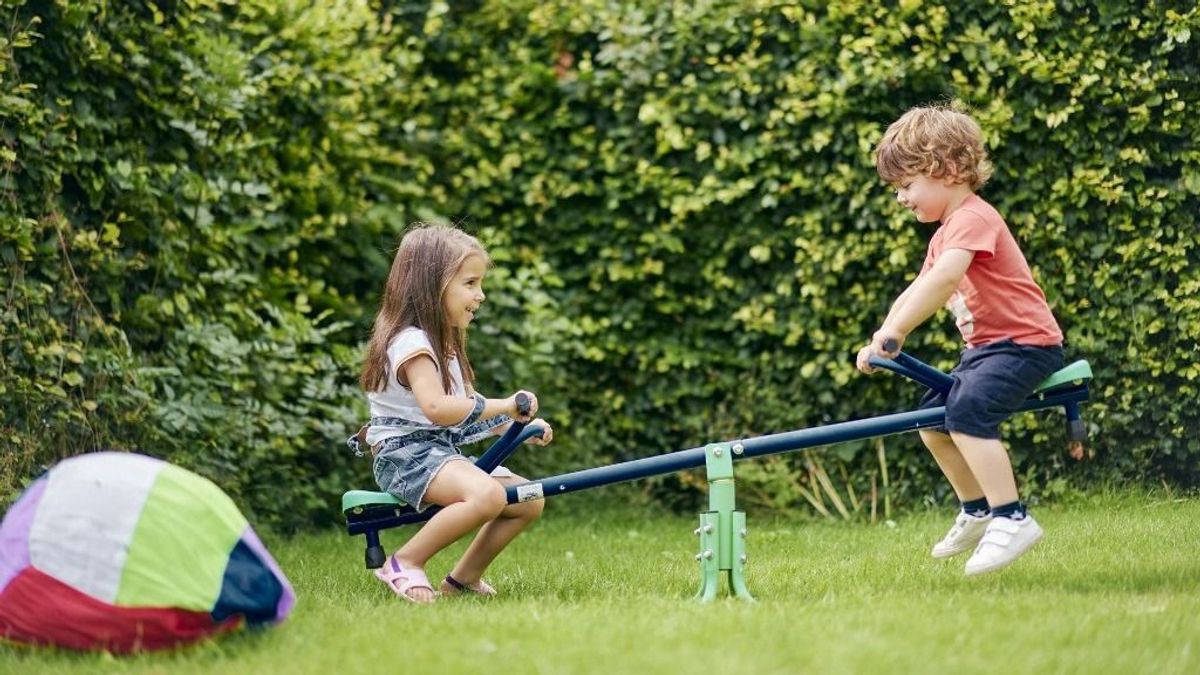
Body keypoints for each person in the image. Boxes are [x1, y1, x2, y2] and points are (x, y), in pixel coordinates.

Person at [856, 105, 1064, 576]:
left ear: (944, 169)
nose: (901, 199)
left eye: (906, 186)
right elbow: (919, 286)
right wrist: (881, 336)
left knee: (967, 413)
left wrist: (898, 331)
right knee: (930, 418)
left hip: (1025, 344)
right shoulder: (945, 234)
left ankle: (1012, 516)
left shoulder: (973, 218)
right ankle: (977, 507)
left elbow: (944, 280)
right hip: (988, 350)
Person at [351, 223, 554, 602]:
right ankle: (404, 562)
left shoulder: (443, 344)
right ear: (432, 285)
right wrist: (506, 404)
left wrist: (513, 424)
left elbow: (464, 412)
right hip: (406, 457)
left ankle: (462, 581)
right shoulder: (411, 342)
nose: (480, 295)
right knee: (488, 496)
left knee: (528, 498)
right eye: (470, 283)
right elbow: (438, 408)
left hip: (437, 452)